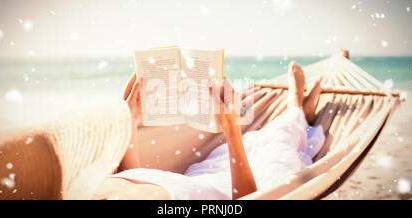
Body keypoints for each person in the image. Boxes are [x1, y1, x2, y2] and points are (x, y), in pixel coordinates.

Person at [93, 61, 325, 200]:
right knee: (278, 150)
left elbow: (136, 177)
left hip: (203, 176)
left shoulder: (84, 189)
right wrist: (231, 128)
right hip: (237, 189)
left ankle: (298, 113)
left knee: (256, 143)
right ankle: (297, 106)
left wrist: (130, 123)